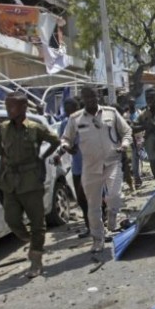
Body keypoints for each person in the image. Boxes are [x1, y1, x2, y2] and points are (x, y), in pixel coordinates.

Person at [58, 85, 132, 253]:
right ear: (82, 99)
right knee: (93, 206)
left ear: (98, 96)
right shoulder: (75, 118)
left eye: (94, 96)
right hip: (90, 167)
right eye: (87, 97)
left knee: (115, 195)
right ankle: (97, 239)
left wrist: (124, 144)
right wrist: (66, 146)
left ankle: (112, 215)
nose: (91, 100)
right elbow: (66, 138)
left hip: (112, 162)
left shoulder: (111, 113)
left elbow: (127, 131)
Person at [0, 91, 61, 278]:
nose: (8, 110)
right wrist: (1, 178)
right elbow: (2, 154)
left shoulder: (35, 128)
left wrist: (42, 157)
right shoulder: (2, 128)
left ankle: (36, 260)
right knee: (12, 220)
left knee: (37, 223)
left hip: (31, 180)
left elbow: (55, 141)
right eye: (7, 106)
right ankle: (31, 240)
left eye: (13, 106)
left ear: (24, 107)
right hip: (10, 182)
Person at [58, 97, 90, 238]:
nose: (69, 113)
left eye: (72, 109)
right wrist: (63, 151)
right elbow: (64, 142)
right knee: (81, 199)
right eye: (67, 110)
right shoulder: (65, 123)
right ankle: (90, 227)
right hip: (77, 166)